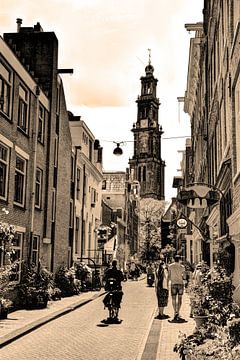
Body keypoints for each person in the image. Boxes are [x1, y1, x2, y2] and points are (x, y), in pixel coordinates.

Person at [168, 255, 186, 321]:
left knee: (173, 299)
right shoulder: (182, 267)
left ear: (174, 259)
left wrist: (168, 283)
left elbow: (169, 276)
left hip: (173, 284)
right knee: (180, 299)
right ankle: (178, 312)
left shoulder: (170, 266)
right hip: (180, 284)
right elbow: (184, 276)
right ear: (179, 259)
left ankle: (174, 312)